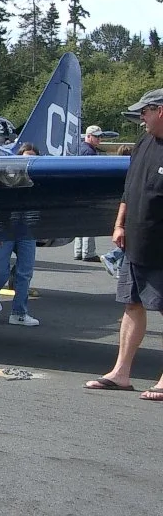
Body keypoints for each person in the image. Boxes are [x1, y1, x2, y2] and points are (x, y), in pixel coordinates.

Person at [84, 88, 163, 399]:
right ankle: (121, 373)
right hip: (137, 242)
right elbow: (129, 190)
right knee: (132, 304)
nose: (141, 117)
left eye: (146, 111)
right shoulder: (144, 143)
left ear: (161, 111)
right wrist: (119, 223)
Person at [0, 143, 41, 327]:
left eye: (31, 158)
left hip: (28, 230)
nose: (27, 161)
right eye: (24, 157)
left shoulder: (39, 181)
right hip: (5, 229)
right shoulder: (5, 179)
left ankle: (19, 312)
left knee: (24, 272)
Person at [100, 145, 134, 278]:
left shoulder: (117, 169)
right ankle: (111, 257)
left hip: (122, 207)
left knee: (126, 239)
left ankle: (120, 269)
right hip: (128, 208)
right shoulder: (129, 168)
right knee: (130, 241)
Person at [73, 124, 104, 261]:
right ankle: (88, 253)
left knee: (80, 221)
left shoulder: (80, 148)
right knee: (90, 221)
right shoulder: (89, 152)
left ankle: (79, 251)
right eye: (96, 137)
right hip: (87, 192)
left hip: (78, 191)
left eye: (100, 136)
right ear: (89, 136)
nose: (99, 139)